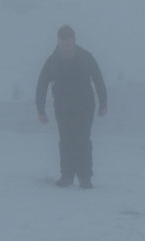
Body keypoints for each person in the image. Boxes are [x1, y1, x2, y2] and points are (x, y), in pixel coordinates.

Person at [36, 25, 107, 188]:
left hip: (85, 106)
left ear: (74, 41)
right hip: (63, 107)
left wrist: (103, 103)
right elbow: (42, 84)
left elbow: (98, 79)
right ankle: (67, 176)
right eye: (63, 42)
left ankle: (85, 177)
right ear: (58, 42)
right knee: (66, 141)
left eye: (69, 42)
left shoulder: (85, 57)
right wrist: (40, 110)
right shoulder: (53, 60)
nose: (66, 45)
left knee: (82, 140)